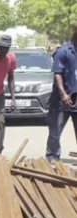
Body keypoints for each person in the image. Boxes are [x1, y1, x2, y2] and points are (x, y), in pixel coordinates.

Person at [46, 23, 77, 161]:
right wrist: (63, 94)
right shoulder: (63, 51)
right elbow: (57, 73)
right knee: (55, 131)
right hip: (61, 100)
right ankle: (52, 157)